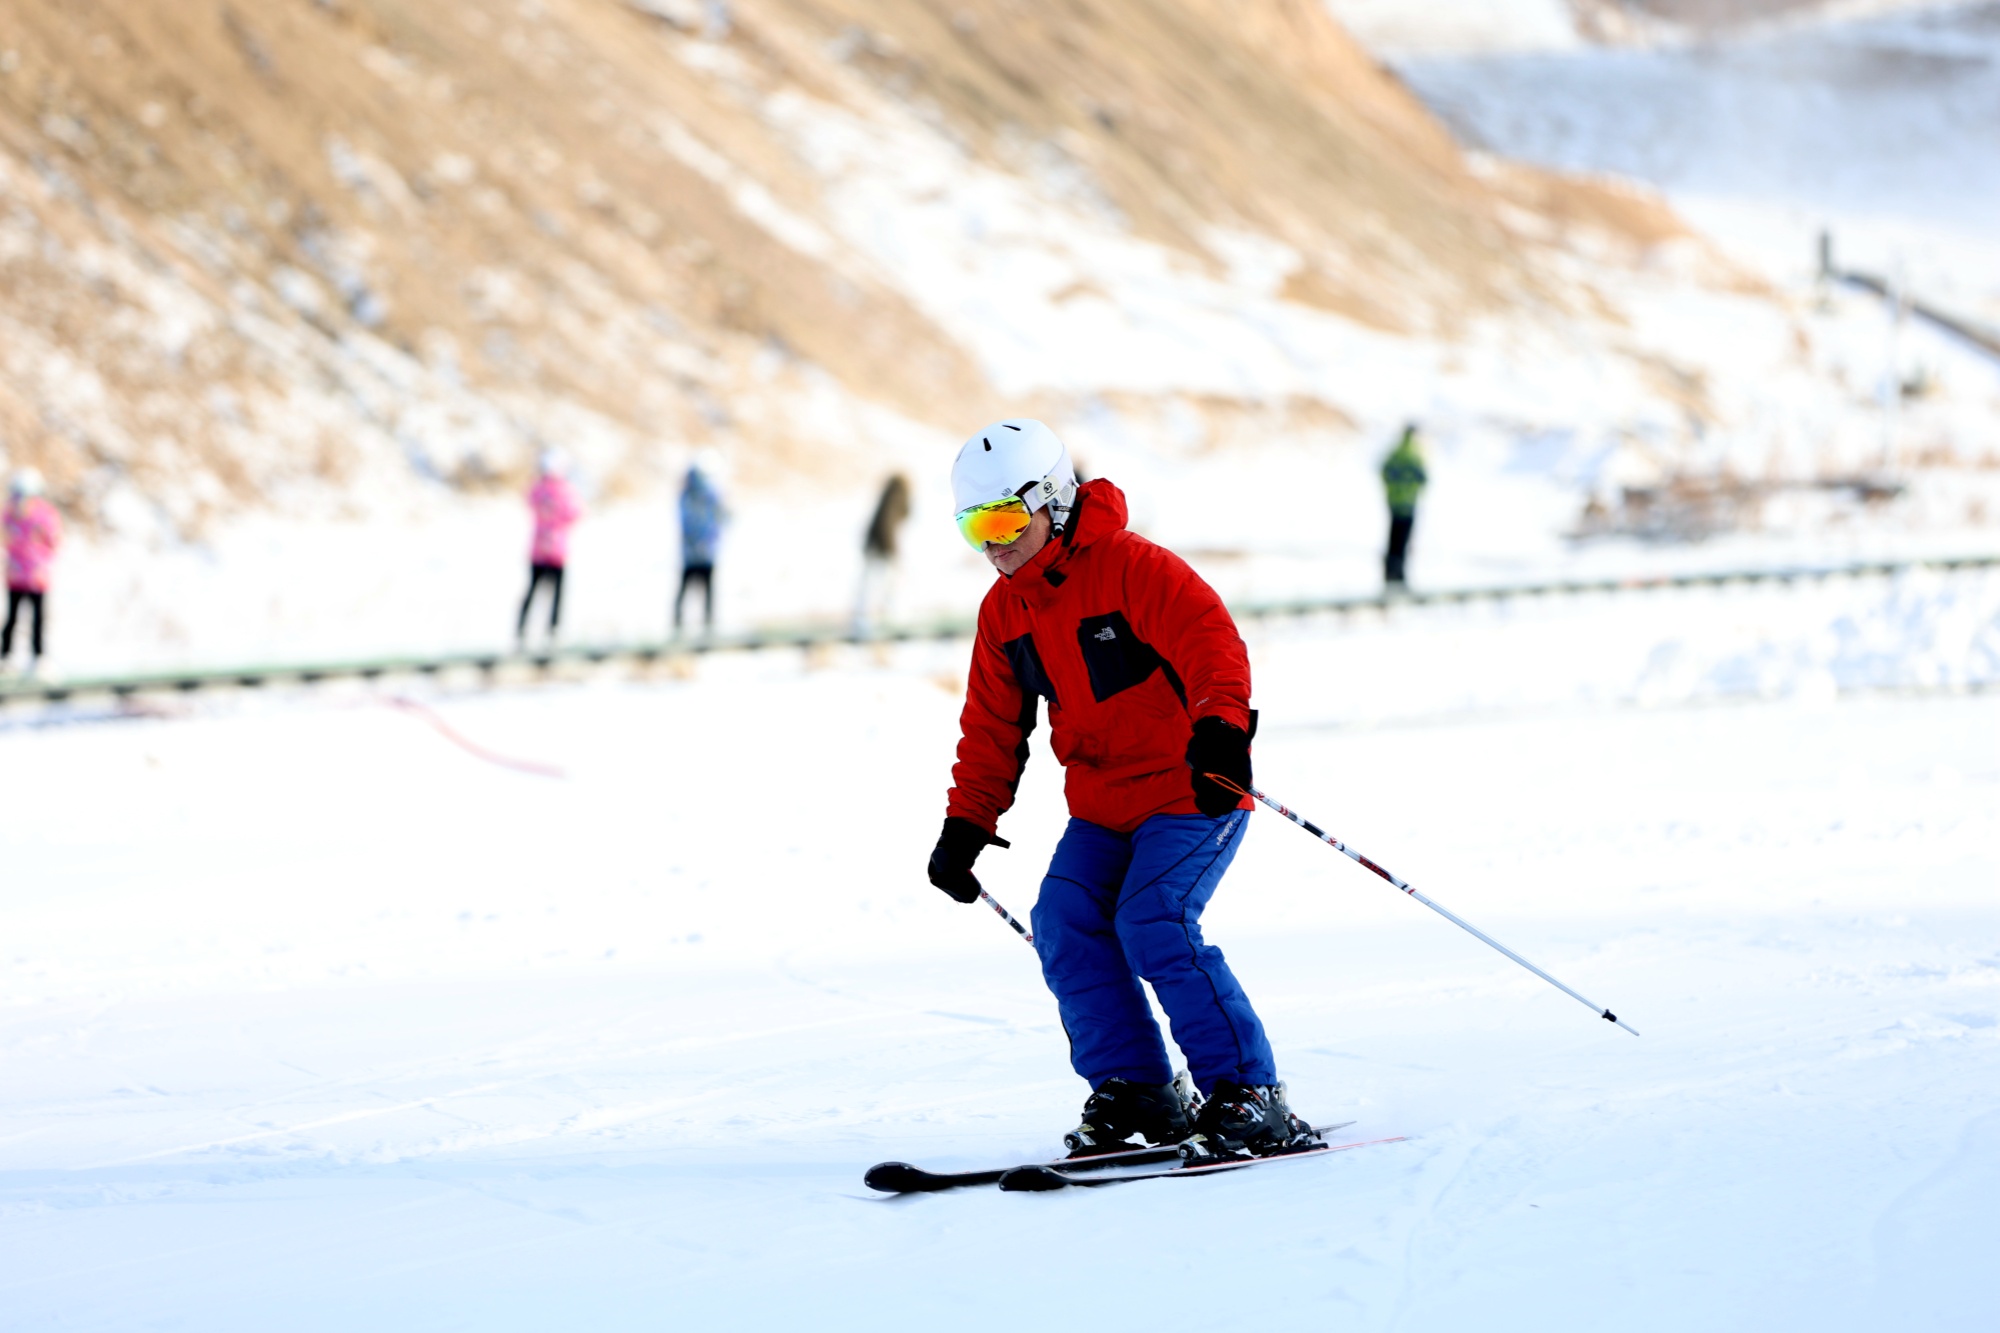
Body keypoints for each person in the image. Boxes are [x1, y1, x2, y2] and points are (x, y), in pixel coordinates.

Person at [926, 418, 1309, 1163]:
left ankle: (1248, 1093)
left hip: (1191, 789)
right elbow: (991, 729)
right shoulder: (1004, 613)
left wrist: (1222, 730)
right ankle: (1138, 1090)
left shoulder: (1133, 568)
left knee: (1152, 917)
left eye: (1005, 518)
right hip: (1102, 808)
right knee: (1064, 918)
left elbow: (1211, 642)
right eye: (976, 527)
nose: (993, 543)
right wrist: (965, 824)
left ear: (1053, 502)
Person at [517, 451, 579, 650]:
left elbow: (528, 499)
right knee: (555, 593)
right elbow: (575, 513)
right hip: (557, 550)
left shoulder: (537, 488)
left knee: (533, 590)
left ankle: (522, 628)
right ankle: (552, 630)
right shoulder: (563, 490)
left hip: (539, 549)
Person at [3, 469, 61, 677]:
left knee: (38, 618)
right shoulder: (9, 514)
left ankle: (38, 657)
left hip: (37, 575)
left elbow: (53, 541)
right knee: (12, 617)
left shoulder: (44, 515)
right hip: (16, 576)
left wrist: (41, 562)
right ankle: (6, 655)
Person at [854, 472, 910, 636]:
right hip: (883, 549)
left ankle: (868, 622)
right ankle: (875, 624)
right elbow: (888, 526)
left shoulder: (886, 499)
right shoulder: (896, 498)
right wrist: (893, 551)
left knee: (873, 586)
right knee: (882, 585)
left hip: (877, 547)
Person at [675, 453, 725, 635]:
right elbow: (721, 517)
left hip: (699, 551)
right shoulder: (695, 494)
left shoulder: (692, 493)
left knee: (700, 590)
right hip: (700, 551)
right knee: (695, 590)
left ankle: (703, 625)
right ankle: (687, 625)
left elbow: (721, 518)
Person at [1380, 422, 1427, 589]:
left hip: (1394, 504)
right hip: (1408, 505)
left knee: (1393, 540)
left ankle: (1389, 574)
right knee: (1403, 542)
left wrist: (1392, 491)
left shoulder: (1395, 453)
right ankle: (1399, 577)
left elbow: (1384, 472)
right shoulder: (1416, 456)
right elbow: (1424, 480)